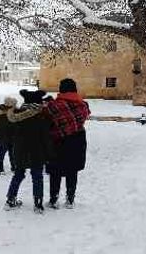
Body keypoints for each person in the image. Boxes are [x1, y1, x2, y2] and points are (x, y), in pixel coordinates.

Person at [4, 90, 54, 213]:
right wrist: (50, 154)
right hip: (37, 151)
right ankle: (38, 204)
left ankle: (10, 200)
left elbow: (11, 134)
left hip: (19, 151)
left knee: (18, 174)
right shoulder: (41, 117)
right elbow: (46, 138)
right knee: (37, 176)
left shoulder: (16, 115)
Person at [44, 78, 90, 209]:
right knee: (72, 170)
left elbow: (46, 118)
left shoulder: (54, 106)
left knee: (55, 171)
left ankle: (53, 200)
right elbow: (85, 116)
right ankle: (70, 199)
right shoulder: (83, 105)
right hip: (77, 139)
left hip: (58, 141)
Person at [0, 97, 17, 174]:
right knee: (5, 152)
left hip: (8, 136)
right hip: (3, 136)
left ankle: (12, 167)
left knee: (10, 152)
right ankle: (1, 168)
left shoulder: (1, 110)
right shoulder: (4, 111)